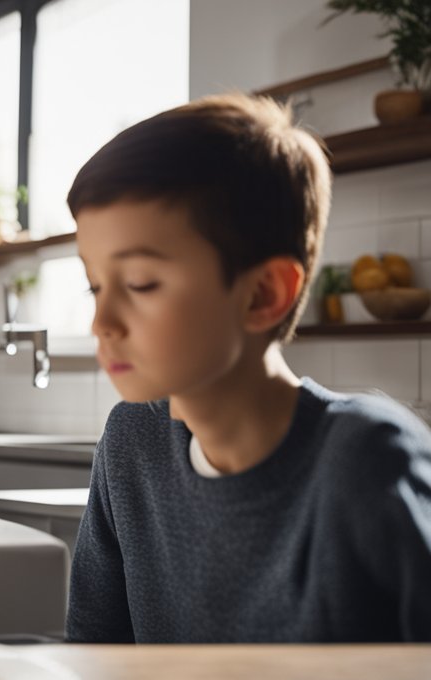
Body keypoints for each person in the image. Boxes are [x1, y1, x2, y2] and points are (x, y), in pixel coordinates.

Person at [64, 93, 431, 643]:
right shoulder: (130, 442)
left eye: (140, 283)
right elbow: (93, 661)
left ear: (264, 294)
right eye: (95, 285)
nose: (102, 320)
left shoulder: (367, 460)